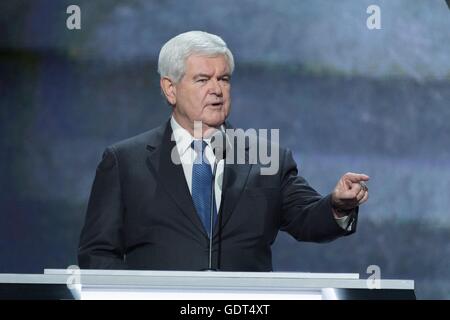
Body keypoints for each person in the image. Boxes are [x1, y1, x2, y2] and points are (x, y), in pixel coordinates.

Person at [78, 31, 369, 271]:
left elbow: (307, 220)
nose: (217, 90)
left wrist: (337, 205)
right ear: (170, 89)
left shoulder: (266, 159)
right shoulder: (125, 161)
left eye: (224, 79)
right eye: (203, 80)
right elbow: (99, 252)